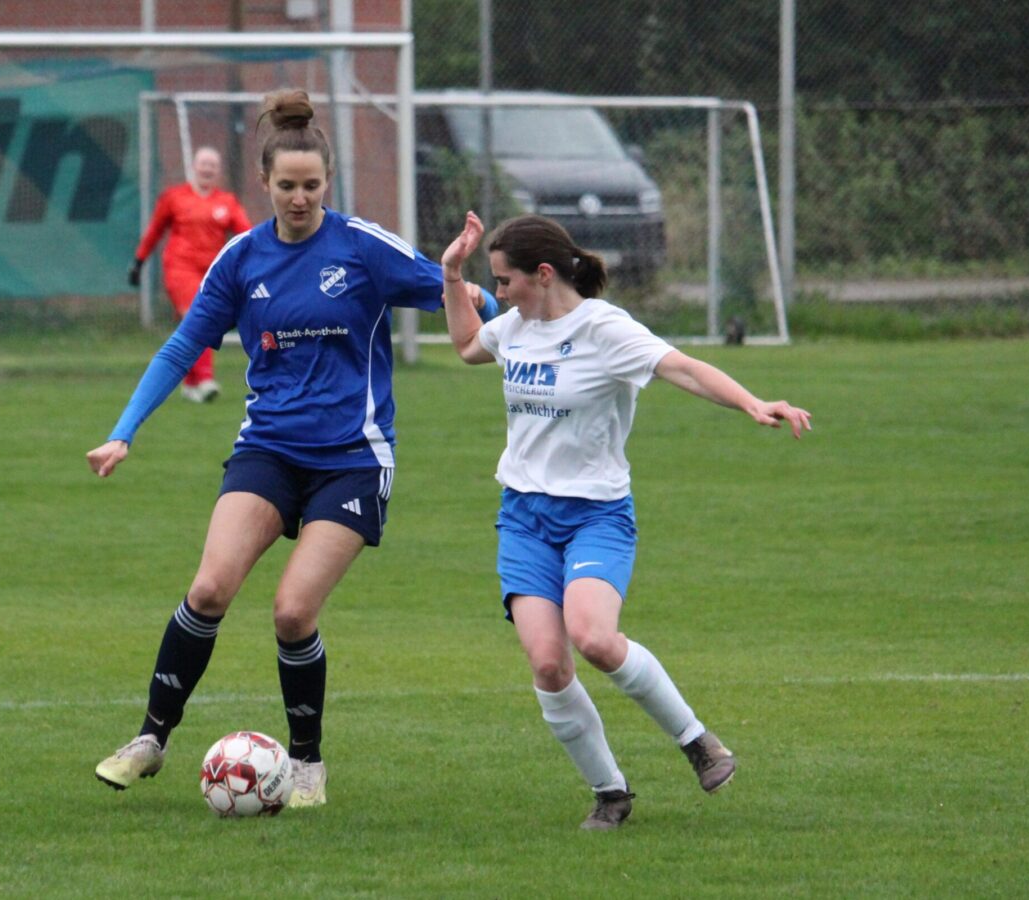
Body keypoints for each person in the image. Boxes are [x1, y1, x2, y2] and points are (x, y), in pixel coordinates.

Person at [88, 90, 497, 807]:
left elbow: (463, 297)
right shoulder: (242, 258)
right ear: (264, 183)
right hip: (269, 450)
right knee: (209, 589)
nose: (300, 198)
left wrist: (492, 311)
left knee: (291, 611)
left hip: (353, 459)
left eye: (311, 185)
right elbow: (183, 345)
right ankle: (150, 739)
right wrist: (124, 429)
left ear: (328, 182)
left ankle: (306, 763)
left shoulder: (363, 247)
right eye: (287, 186)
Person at [440, 211, 811, 830]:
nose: (498, 293)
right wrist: (452, 276)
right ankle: (610, 793)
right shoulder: (516, 327)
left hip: (596, 515)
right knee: (549, 664)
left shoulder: (604, 329)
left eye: (505, 281)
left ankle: (697, 742)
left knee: (594, 637)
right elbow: (466, 346)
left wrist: (751, 402)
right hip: (523, 517)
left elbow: (683, 367)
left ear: (544, 273)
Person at [128, 145, 252, 403]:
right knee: (199, 315)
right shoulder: (174, 198)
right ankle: (205, 379)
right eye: (203, 164)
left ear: (218, 171)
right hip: (180, 268)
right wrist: (139, 262)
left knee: (194, 324)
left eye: (212, 165)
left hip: (212, 273)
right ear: (194, 167)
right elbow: (154, 231)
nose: (207, 169)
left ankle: (190, 383)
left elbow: (247, 235)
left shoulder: (227, 202)